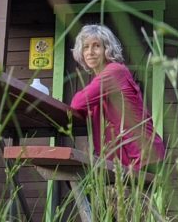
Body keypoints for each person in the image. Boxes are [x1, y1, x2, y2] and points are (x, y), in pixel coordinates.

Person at [69, 24, 165, 170]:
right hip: (129, 157)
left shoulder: (114, 72)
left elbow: (78, 103)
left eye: (96, 46)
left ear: (107, 49)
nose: (90, 52)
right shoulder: (101, 79)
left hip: (141, 153)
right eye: (85, 47)